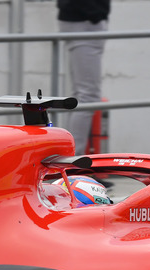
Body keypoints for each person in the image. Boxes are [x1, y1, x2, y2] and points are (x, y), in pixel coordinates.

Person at [57, 0, 110, 155]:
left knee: (81, 97)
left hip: (84, 20)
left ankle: (70, 161)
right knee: (88, 97)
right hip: (84, 21)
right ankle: (71, 163)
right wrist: (94, 14)